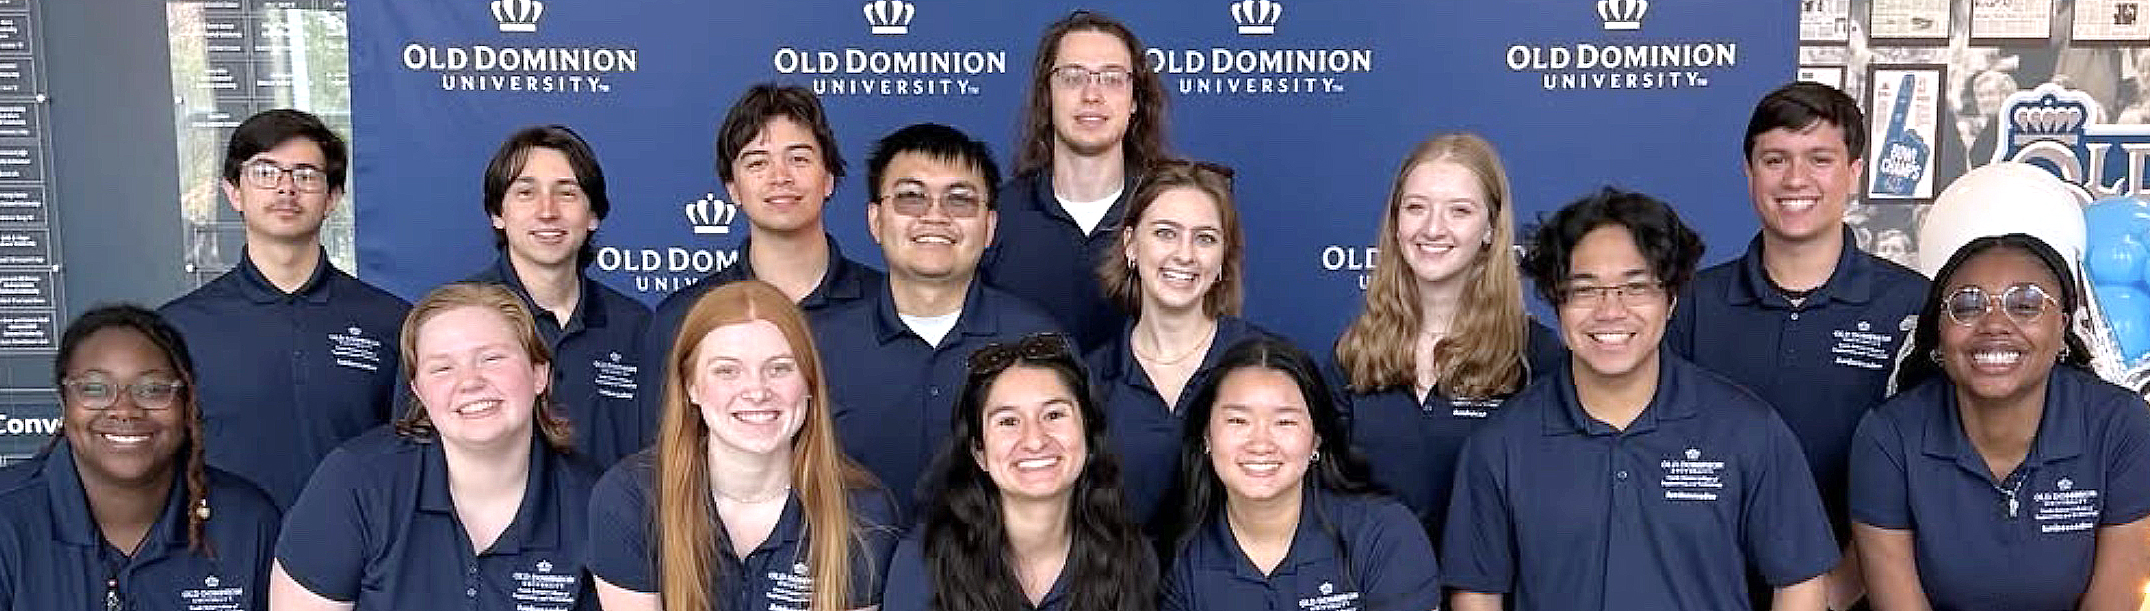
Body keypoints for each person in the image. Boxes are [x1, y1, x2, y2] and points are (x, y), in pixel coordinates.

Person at [1446, 188, 1836, 611]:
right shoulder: (1501, 444)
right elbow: (1477, 596)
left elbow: (1800, 582)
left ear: (1670, 301)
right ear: (1556, 304)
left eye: (1635, 287)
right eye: (1585, 289)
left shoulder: (1746, 430)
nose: (1610, 310)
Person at [1667, 82, 1927, 608]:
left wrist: (1841, 585)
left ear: (1855, 172)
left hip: (1854, 592)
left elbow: (1928, 463)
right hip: (1713, 590)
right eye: (1775, 159)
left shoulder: (1910, 304)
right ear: (1748, 171)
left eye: (1820, 158)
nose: (1795, 179)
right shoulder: (1693, 303)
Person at [1851, 233, 2150, 611]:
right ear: (1939, 336)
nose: (1994, 324)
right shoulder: (1887, 436)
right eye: (1968, 306)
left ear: (2062, 329)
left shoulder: (2122, 426)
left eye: (2025, 304)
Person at [270, 282, 601, 610]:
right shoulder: (355, 482)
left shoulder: (595, 502)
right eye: (442, 368)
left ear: (539, 374)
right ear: (418, 392)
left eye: (491, 358)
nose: (470, 382)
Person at [588, 280, 899, 611]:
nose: (756, 390)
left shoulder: (864, 510)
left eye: (779, 368)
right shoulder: (630, 499)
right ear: (690, 387)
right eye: (727, 371)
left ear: (810, 383)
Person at [159, 109, 411, 509]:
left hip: (362, 557)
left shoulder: (392, 321)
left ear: (332, 198)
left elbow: (410, 455)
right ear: (234, 192)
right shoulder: (177, 328)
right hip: (225, 556)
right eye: (265, 171)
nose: (286, 188)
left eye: (305, 174)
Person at [812, 123, 1062, 518]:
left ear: (990, 226)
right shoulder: (818, 347)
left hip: (1000, 578)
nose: (935, 216)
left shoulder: (1039, 341)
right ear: (875, 221)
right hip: (852, 578)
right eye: (911, 197)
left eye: (960, 200)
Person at [1329, 133, 1563, 542]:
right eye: (1416, 208)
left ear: (1490, 228)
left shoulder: (1535, 357)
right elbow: (1325, 500)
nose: (1433, 228)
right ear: (1396, 222)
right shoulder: (1353, 353)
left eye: (1459, 211)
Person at [642, 84, 884, 444]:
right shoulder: (682, 317)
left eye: (799, 158)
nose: (780, 177)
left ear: (829, 178)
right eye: (757, 162)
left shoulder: (887, 306)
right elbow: (662, 459)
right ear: (733, 189)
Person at [0, 305, 280, 610]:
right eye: (95, 388)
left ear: (185, 402)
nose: (125, 410)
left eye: (153, 389)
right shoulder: (8, 519)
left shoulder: (248, 522)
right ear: (63, 401)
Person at [1158, 337, 1441, 611]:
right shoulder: (1180, 559)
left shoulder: (1382, 535)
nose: (1260, 443)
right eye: (1238, 420)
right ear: (1206, 436)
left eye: (1284, 421)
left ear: (1316, 439)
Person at [881, 332, 1156, 611]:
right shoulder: (922, 564)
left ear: (1088, 432)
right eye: (1008, 421)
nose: (1035, 441)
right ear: (979, 452)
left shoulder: (1133, 558)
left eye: (1054, 415)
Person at [1086, 159, 1271, 527]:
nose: (1185, 255)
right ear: (1130, 244)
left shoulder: (1266, 364)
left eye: (1205, 238)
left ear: (1223, 259)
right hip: (1122, 584)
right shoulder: (1088, 381)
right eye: (1165, 233)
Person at [983, 10, 1172, 352]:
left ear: (1135, 101)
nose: (1091, 94)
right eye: (1073, 77)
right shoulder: (996, 217)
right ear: (1047, 95)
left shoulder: (1169, 214)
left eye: (1112, 78)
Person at [463, 125, 650, 467]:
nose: (547, 211)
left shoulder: (637, 327)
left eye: (567, 193)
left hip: (612, 521)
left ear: (592, 215)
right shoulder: (454, 322)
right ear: (497, 214)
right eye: (525, 193)